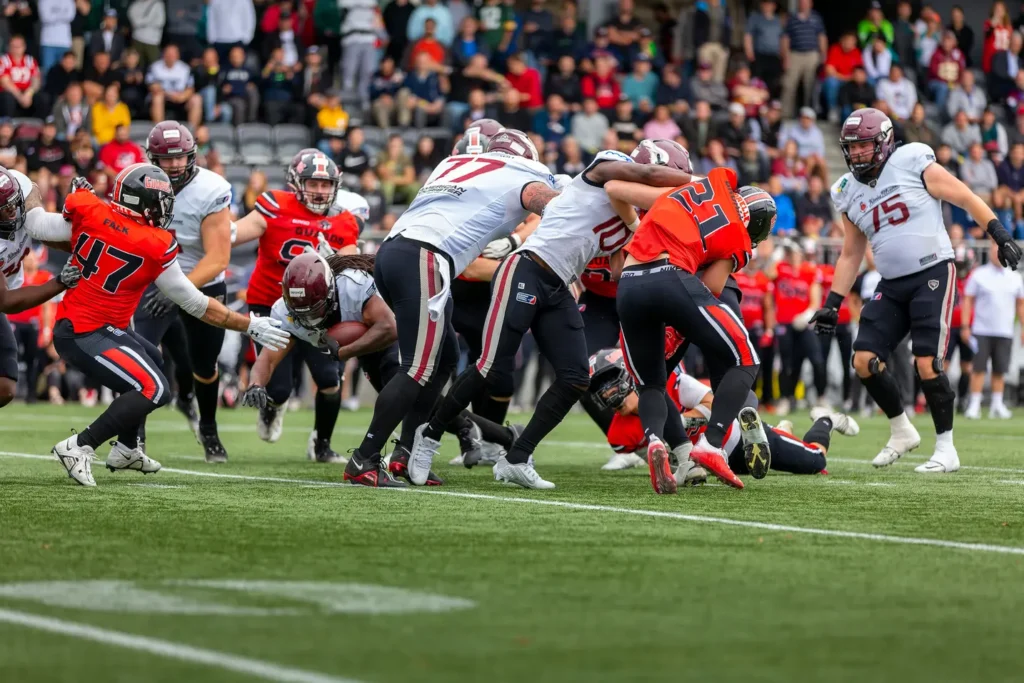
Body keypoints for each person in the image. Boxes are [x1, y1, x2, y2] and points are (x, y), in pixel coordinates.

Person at [409, 140, 695, 489]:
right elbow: (645, 175)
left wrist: (646, 238)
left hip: (559, 285)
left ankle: (517, 457)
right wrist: (697, 184)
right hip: (527, 268)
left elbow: (619, 269)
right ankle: (429, 437)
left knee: (576, 377)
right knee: (490, 365)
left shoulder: (630, 217)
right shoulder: (608, 164)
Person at [29, 165, 288, 487]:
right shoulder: (154, 242)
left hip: (99, 325)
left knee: (154, 359)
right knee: (154, 388)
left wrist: (27, 186)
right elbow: (196, 304)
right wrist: (248, 324)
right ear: (143, 203)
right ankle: (80, 445)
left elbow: (39, 225)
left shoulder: (90, 208)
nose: (166, 208)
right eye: (161, 201)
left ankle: (126, 447)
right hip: (85, 331)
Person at [813, 108, 1023, 474]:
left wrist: (999, 234)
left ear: (883, 141)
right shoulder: (846, 190)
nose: (857, 154)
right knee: (863, 360)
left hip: (933, 270)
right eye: (852, 148)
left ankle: (946, 448)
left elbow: (964, 196)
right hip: (891, 283)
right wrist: (833, 303)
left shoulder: (912, 159)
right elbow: (851, 252)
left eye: (863, 146)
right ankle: (901, 430)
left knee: (926, 362)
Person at [348, 129, 559, 487]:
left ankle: (406, 454)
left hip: (395, 251)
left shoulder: (453, 162)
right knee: (417, 367)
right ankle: (364, 459)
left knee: (444, 359)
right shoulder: (523, 173)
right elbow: (552, 206)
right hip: (424, 256)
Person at [610, 166, 775, 493]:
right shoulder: (739, 237)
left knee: (652, 383)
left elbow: (614, 187)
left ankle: (657, 441)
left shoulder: (709, 183)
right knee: (745, 357)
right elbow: (713, 286)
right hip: (672, 277)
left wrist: (637, 224)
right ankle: (712, 445)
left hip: (628, 283)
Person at [232, 151, 359, 463]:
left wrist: (341, 261)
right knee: (279, 388)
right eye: (313, 182)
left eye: (325, 183)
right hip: (269, 303)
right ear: (296, 183)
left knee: (330, 378)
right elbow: (236, 233)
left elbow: (356, 269)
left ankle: (322, 445)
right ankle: (273, 406)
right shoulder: (275, 206)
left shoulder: (344, 220)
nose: (319, 190)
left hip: (317, 311)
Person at [589, 349, 860, 480]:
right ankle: (782, 431)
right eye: (601, 389)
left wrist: (677, 424)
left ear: (628, 372)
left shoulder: (672, 382)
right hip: (712, 463)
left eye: (610, 382)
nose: (607, 393)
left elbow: (713, 403)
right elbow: (666, 466)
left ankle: (825, 419)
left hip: (735, 436)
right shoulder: (619, 435)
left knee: (814, 461)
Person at [129, 122, 232, 461]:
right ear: (151, 158)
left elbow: (218, 258)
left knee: (204, 365)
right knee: (138, 357)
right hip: (154, 281)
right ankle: (134, 440)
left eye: (179, 158)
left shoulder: (210, 189)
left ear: (192, 155)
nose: (172, 165)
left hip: (199, 281)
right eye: (164, 158)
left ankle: (209, 431)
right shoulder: (137, 180)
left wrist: (179, 289)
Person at [0, 168, 81, 409]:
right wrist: (60, 282)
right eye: (3, 209)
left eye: (13, 204)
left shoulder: (18, 188)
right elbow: (5, 301)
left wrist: (86, 227)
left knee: (5, 387)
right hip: (4, 298)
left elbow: (41, 228)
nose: (12, 211)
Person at [960, 239, 1024, 419]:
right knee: (978, 368)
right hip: (981, 330)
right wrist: (965, 326)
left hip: (1004, 331)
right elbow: (967, 301)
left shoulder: (1015, 277)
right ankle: (974, 404)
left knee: (1000, 369)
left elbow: (1021, 304)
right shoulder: (978, 275)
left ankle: (997, 404)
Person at [774, 240, 825, 414]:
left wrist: (805, 316)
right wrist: (779, 251)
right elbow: (766, 275)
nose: (792, 254)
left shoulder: (809, 270)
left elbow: (816, 300)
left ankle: (821, 398)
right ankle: (786, 399)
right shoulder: (780, 267)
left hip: (804, 323)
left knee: (816, 360)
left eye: (794, 251)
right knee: (788, 363)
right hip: (784, 322)